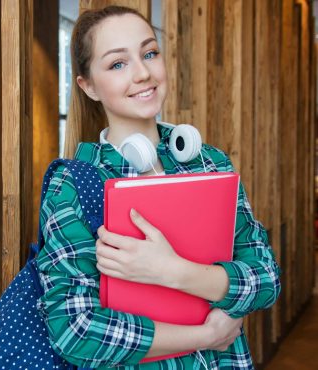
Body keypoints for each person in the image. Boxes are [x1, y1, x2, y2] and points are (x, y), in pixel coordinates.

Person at [36, 5, 281, 369]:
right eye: (118, 64)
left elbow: (266, 278)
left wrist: (174, 272)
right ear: (88, 86)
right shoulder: (73, 185)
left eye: (149, 53)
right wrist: (206, 335)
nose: (143, 73)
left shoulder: (210, 162)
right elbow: (75, 331)